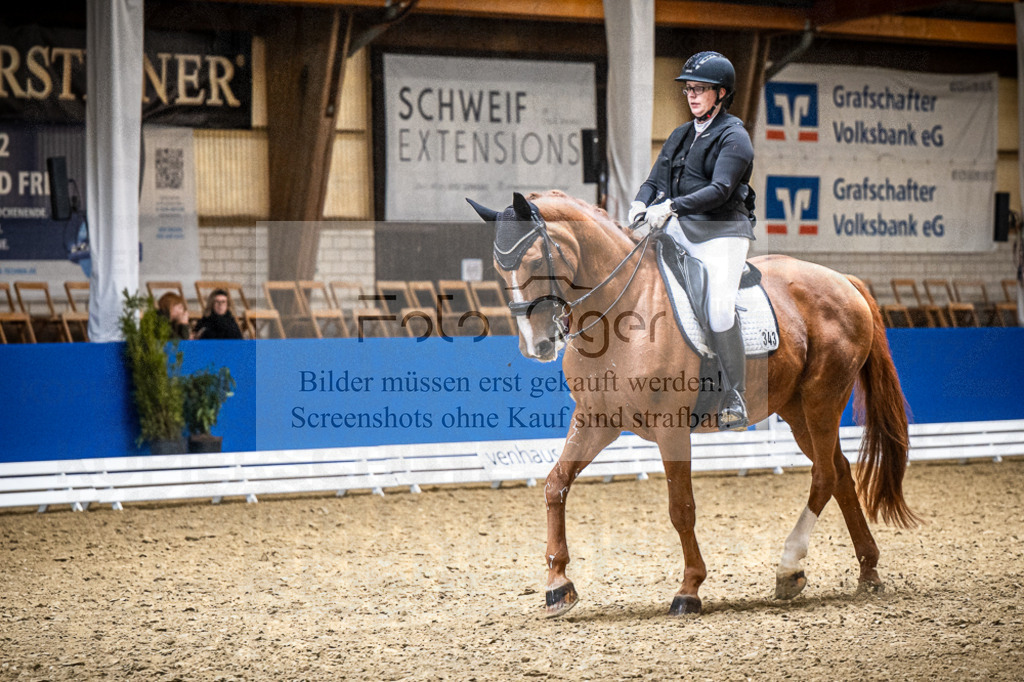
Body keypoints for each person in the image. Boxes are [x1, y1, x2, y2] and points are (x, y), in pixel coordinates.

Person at [627, 51, 755, 430]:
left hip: (723, 234)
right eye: (689, 89)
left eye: (700, 89)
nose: (692, 95)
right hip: (681, 229)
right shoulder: (681, 135)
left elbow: (720, 189)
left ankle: (735, 394)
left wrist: (671, 206)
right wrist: (640, 201)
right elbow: (655, 180)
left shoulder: (735, 136)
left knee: (719, 309)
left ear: (721, 93)